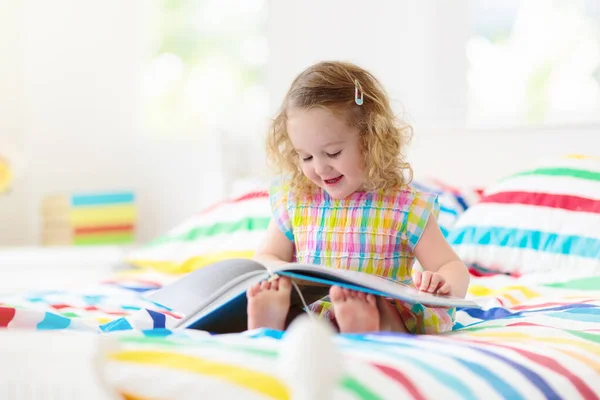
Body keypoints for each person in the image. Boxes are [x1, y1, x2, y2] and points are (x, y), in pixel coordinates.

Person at [247, 60, 470, 334]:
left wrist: (441, 282)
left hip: (375, 306)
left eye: (332, 153)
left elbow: (451, 266)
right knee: (293, 308)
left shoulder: (403, 207)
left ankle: (364, 325)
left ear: (370, 139)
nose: (319, 168)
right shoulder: (298, 199)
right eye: (305, 156)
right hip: (314, 309)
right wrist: (282, 278)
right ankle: (270, 322)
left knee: (385, 310)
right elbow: (266, 256)